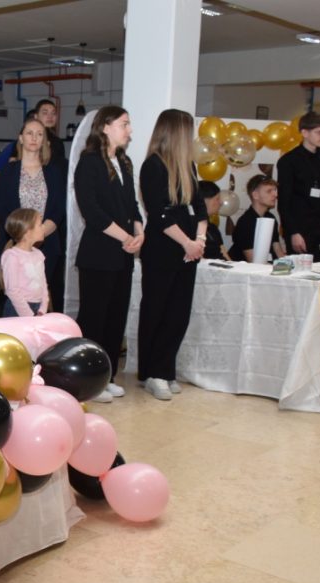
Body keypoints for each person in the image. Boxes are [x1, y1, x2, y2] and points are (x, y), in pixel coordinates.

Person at [73, 106, 143, 403]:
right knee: (95, 319)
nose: (129, 130)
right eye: (124, 124)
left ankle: (108, 376)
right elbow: (92, 211)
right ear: (105, 127)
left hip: (123, 255)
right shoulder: (89, 162)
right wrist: (126, 237)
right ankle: (89, 381)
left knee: (116, 318)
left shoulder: (124, 161)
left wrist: (139, 232)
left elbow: (132, 205)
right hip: (99, 254)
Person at [137, 108, 208, 402]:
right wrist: (187, 243)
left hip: (188, 252)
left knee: (179, 314)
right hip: (162, 250)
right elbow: (159, 214)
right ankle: (152, 371)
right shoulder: (152, 166)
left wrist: (199, 239)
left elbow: (200, 207)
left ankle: (166, 369)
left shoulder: (188, 166)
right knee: (157, 310)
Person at [0, 117, 67, 312]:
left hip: (47, 243)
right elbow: (1, 208)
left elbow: (59, 208)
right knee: (14, 300)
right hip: (15, 244)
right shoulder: (9, 171)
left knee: (41, 298)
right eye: (29, 133)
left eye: (39, 134)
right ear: (21, 138)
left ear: (44, 140)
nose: (34, 138)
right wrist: (24, 236)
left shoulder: (53, 172)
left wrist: (40, 232)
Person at [276, 111, 320, 262]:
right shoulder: (288, 161)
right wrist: (293, 232)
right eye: (319, 132)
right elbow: (284, 201)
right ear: (304, 133)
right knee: (300, 268)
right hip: (299, 226)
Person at [0, 99, 65, 191]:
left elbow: (60, 172)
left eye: (53, 113)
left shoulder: (58, 143)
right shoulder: (16, 148)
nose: (34, 139)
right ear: (22, 138)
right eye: (45, 113)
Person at [0, 208, 49, 317]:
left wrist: (43, 308)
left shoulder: (38, 254)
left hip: (38, 309)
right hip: (17, 309)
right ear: (27, 232)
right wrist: (29, 315)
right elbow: (12, 290)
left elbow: (43, 284)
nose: (44, 227)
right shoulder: (12, 256)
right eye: (40, 224)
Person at [230, 175, 281, 262]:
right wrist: (279, 268)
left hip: (268, 266)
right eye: (269, 191)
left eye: (275, 190)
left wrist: (289, 266)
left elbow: (277, 249)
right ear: (255, 195)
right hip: (246, 268)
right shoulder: (245, 222)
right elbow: (254, 261)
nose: (275, 195)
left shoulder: (271, 217)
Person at [198, 181, 230, 260]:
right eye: (217, 199)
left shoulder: (213, 228)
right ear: (203, 201)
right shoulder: (189, 228)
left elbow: (225, 255)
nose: (221, 203)